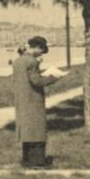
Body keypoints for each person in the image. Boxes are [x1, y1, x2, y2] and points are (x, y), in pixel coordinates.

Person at [12, 36, 60, 168]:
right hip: (33, 99)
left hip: (21, 98)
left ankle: (26, 160)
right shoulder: (32, 62)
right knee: (37, 130)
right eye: (42, 50)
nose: (42, 53)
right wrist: (53, 77)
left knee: (27, 131)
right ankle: (37, 161)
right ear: (38, 48)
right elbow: (36, 81)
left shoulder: (18, 61)